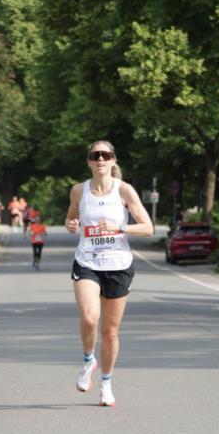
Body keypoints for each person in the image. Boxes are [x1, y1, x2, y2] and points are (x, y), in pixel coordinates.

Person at [65, 140, 153, 407]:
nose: (101, 159)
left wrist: (119, 228)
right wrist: (70, 225)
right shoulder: (79, 191)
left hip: (118, 265)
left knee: (111, 332)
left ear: (114, 160)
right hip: (87, 261)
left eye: (106, 155)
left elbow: (148, 227)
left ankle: (105, 383)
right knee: (90, 319)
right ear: (89, 161)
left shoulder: (124, 191)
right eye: (96, 155)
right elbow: (71, 221)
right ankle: (88, 360)